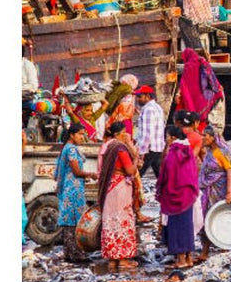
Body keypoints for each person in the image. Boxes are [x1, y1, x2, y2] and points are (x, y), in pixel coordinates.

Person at [157, 125, 200, 269]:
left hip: (175, 194)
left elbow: (167, 174)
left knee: (177, 226)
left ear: (173, 138)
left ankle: (181, 260)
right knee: (187, 225)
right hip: (188, 194)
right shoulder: (188, 151)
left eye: (167, 137)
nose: (166, 139)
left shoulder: (173, 153)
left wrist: (161, 189)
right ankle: (188, 258)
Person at [98, 121, 139, 272]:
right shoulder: (120, 148)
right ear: (119, 134)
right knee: (122, 220)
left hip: (110, 188)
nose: (126, 135)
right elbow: (130, 170)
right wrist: (135, 159)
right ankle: (122, 259)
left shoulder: (107, 146)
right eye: (124, 132)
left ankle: (112, 260)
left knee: (110, 221)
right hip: (120, 188)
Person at [55, 123, 96, 263]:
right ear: (72, 135)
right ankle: (75, 253)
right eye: (79, 134)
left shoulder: (66, 148)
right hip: (73, 189)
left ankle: (69, 252)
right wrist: (91, 174)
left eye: (83, 134)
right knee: (73, 221)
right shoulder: (71, 149)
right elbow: (77, 171)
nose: (82, 137)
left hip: (69, 187)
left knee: (70, 221)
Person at [198, 126, 231, 262]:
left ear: (213, 138)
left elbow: (229, 172)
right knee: (206, 217)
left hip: (219, 190)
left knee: (220, 218)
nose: (203, 138)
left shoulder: (221, 152)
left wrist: (229, 192)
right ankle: (205, 250)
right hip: (207, 190)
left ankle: (224, 248)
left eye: (205, 136)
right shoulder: (208, 152)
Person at [177, 48, 224, 131]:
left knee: (192, 113)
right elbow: (212, 77)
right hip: (204, 95)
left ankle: (195, 133)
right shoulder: (203, 62)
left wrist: (178, 93)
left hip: (192, 95)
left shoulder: (188, 65)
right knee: (203, 117)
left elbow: (184, 83)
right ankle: (202, 133)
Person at [134, 85, 165, 177]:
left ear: (147, 96)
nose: (137, 99)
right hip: (157, 147)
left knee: (137, 175)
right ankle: (166, 190)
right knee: (159, 174)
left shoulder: (149, 109)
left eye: (140, 97)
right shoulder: (157, 107)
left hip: (149, 148)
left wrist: (141, 151)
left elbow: (148, 134)